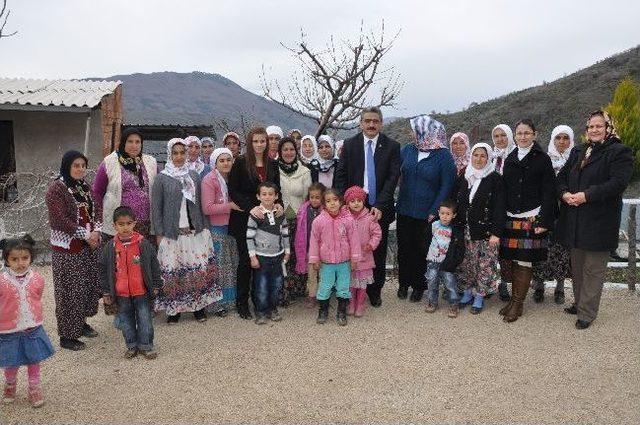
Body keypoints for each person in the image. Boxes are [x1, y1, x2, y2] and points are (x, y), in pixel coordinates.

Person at [557, 110, 633, 329]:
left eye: (599, 126)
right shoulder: (579, 150)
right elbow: (562, 178)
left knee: (593, 269)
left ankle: (587, 313)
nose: (594, 130)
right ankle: (580, 302)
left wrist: (585, 196)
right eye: (591, 126)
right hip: (575, 220)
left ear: (608, 128)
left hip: (600, 221)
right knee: (578, 266)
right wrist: (564, 194)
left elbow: (617, 183)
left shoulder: (619, 152)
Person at [334, 107, 401, 307]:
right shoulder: (350, 144)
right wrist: (342, 205)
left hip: (380, 206)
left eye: (375, 121)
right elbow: (341, 175)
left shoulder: (392, 146)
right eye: (367, 121)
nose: (371, 124)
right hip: (352, 206)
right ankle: (348, 290)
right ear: (361, 123)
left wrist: (381, 203)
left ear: (381, 123)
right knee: (350, 249)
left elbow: (392, 178)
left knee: (377, 251)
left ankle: (374, 291)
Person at [152, 138, 220, 324]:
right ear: (169, 154)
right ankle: (174, 311)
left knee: (196, 271)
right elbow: (156, 209)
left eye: (183, 152)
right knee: (174, 272)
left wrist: (205, 228)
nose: (180, 156)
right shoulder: (161, 178)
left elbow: (199, 204)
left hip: (194, 231)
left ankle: (198, 308)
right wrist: (159, 234)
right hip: (172, 233)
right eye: (176, 153)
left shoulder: (194, 176)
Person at [499, 119, 556, 323]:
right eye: (519, 133)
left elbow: (550, 192)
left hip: (532, 216)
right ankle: (516, 301)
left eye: (527, 133)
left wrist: (545, 220)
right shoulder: (511, 157)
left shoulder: (543, 159)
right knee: (514, 259)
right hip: (511, 217)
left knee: (524, 259)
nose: (523, 136)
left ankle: (518, 303)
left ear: (535, 134)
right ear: (515, 136)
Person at [395, 115, 456, 302]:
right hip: (404, 209)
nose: (413, 134)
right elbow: (395, 173)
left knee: (421, 250)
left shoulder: (443, 155)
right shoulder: (407, 150)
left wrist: (434, 210)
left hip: (427, 213)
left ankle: (419, 286)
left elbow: (447, 184)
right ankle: (404, 283)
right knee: (404, 248)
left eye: (417, 131)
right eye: (413, 131)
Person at [46, 150, 101, 351]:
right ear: (67, 166)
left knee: (86, 286)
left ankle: (82, 323)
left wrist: (96, 231)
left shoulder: (84, 187)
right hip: (67, 249)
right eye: (76, 165)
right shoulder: (56, 189)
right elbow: (59, 220)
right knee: (69, 291)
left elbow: (97, 209)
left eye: (83, 165)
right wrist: (86, 235)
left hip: (88, 246)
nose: (80, 169)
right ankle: (67, 336)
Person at [228, 127, 281, 319]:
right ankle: (242, 303)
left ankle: (261, 300)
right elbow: (233, 190)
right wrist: (251, 207)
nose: (259, 145)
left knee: (263, 261)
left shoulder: (272, 164)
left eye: (263, 141)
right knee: (246, 261)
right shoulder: (241, 162)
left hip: (267, 222)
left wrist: (280, 204)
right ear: (250, 143)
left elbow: (277, 189)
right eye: (255, 141)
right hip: (245, 218)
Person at [100, 206, 162, 360]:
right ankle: (132, 346)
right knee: (126, 322)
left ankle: (146, 346)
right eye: (121, 224)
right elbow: (103, 271)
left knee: (145, 320)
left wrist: (155, 284)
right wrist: (106, 292)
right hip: (121, 293)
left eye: (128, 223)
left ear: (134, 223)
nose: (125, 227)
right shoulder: (110, 247)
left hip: (141, 291)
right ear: (114, 225)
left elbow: (154, 265)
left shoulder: (143, 244)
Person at [451, 143, 506, 314]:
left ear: (488, 157)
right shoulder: (464, 175)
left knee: (485, 264)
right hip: (465, 229)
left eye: (483, 155)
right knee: (467, 263)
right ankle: (467, 292)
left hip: (486, 232)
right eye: (476, 155)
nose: (479, 159)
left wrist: (496, 233)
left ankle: (480, 296)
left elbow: (499, 207)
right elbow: (454, 199)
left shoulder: (495, 178)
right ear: (471, 156)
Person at [0, 235, 54, 408]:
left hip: (32, 327)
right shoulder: (1, 281)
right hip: (9, 331)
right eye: (14, 259)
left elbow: (37, 296)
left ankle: (34, 387)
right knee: (11, 361)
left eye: (25, 258)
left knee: (33, 359)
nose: (20, 263)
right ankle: (10, 384)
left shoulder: (37, 279)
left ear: (31, 257)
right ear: (7, 260)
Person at [531, 125, 575, 304]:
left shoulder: (576, 160)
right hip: (545, 211)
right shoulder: (543, 159)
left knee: (563, 252)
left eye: (566, 138)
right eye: (558, 138)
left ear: (571, 141)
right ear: (553, 139)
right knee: (541, 249)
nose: (562, 141)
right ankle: (539, 285)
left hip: (567, 213)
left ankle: (559, 287)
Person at [93, 128, 158, 241]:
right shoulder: (109, 162)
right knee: (119, 257)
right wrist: (97, 222)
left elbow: (159, 188)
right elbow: (97, 192)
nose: (134, 145)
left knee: (142, 257)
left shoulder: (150, 162)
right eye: (130, 141)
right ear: (123, 142)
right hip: (120, 225)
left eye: (138, 142)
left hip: (146, 225)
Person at [308, 189, 361, 326]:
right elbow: (314, 241)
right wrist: (315, 259)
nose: (332, 203)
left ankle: (341, 312)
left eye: (335, 200)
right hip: (326, 262)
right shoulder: (319, 221)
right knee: (325, 286)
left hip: (344, 262)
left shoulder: (348, 220)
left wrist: (355, 259)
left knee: (343, 287)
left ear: (341, 201)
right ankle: (323, 310)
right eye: (328, 201)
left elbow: (354, 240)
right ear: (324, 204)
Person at [201, 147, 241, 317]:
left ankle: (231, 300)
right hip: (217, 228)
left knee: (231, 265)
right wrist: (229, 206)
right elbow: (207, 208)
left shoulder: (234, 178)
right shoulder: (209, 180)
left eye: (228, 160)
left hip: (233, 226)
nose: (226, 163)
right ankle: (217, 304)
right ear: (215, 163)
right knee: (219, 267)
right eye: (222, 160)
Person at [247, 182, 291, 324]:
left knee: (276, 285)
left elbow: (285, 233)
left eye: (270, 194)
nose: (267, 197)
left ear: (276, 196)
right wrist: (252, 257)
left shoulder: (280, 213)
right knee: (261, 286)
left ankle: (273, 309)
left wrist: (287, 251)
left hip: (278, 257)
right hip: (261, 257)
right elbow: (249, 237)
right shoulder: (255, 215)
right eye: (264, 194)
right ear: (258, 196)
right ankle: (260, 311)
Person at [278, 137, 312, 303]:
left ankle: (299, 288)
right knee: (284, 255)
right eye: (285, 149)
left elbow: (307, 198)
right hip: (279, 219)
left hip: (299, 220)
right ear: (280, 151)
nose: (288, 152)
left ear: (296, 151)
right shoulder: (274, 169)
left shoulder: (304, 171)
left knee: (299, 253)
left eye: (291, 149)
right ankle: (284, 290)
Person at [344, 186, 382, 317]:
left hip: (364, 255)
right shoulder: (343, 217)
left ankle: (360, 303)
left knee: (361, 283)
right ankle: (351, 302)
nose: (356, 203)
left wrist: (371, 245)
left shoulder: (370, 218)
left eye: (359, 200)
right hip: (348, 256)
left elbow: (377, 233)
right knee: (350, 282)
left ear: (363, 201)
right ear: (347, 203)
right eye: (352, 201)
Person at [424, 200, 465, 317]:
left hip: (447, 263)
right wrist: (427, 253)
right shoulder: (433, 225)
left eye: (448, 214)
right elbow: (425, 239)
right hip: (432, 260)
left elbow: (460, 249)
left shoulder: (455, 230)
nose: (445, 217)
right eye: (442, 213)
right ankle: (432, 302)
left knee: (450, 284)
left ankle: (454, 305)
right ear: (438, 213)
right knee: (431, 281)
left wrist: (454, 262)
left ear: (454, 215)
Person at [492, 124, 516, 302]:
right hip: (494, 210)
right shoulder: (491, 156)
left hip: (513, 210)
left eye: (503, 135)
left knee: (510, 250)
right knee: (497, 249)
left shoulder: (516, 155)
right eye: (496, 136)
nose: (500, 139)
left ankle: (509, 284)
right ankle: (497, 283)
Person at [294, 183, 326, 308]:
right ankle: (312, 296)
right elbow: (300, 231)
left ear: (323, 197)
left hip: (324, 250)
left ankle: (323, 295)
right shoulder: (304, 210)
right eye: (312, 197)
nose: (314, 200)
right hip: (309, 249)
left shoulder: (326, 211)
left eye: (317, 197)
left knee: (324, 275)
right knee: (311, 275)